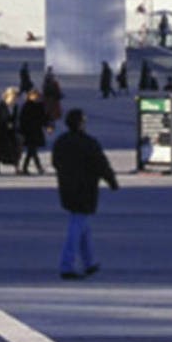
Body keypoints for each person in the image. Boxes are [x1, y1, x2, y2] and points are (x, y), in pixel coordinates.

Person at [51, 108, 117, 279]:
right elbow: (100, 163)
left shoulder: (61, 142)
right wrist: (111, 180)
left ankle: (89, 262)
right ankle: (67, 265)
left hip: (67, 187)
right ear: (80, 124)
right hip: (85, 188)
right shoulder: (88, 143)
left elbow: (55, 162)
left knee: (82, 225)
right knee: (77, 225)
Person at [18, 89, 48, 175]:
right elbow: (22, 120)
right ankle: (37, 168)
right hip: (29, 132)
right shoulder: (27, 106)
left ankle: (28, 168)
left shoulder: (39, 106)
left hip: (35, 131)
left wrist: (46, 125)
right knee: (32, 150)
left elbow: (43, 118)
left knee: (32, 151)